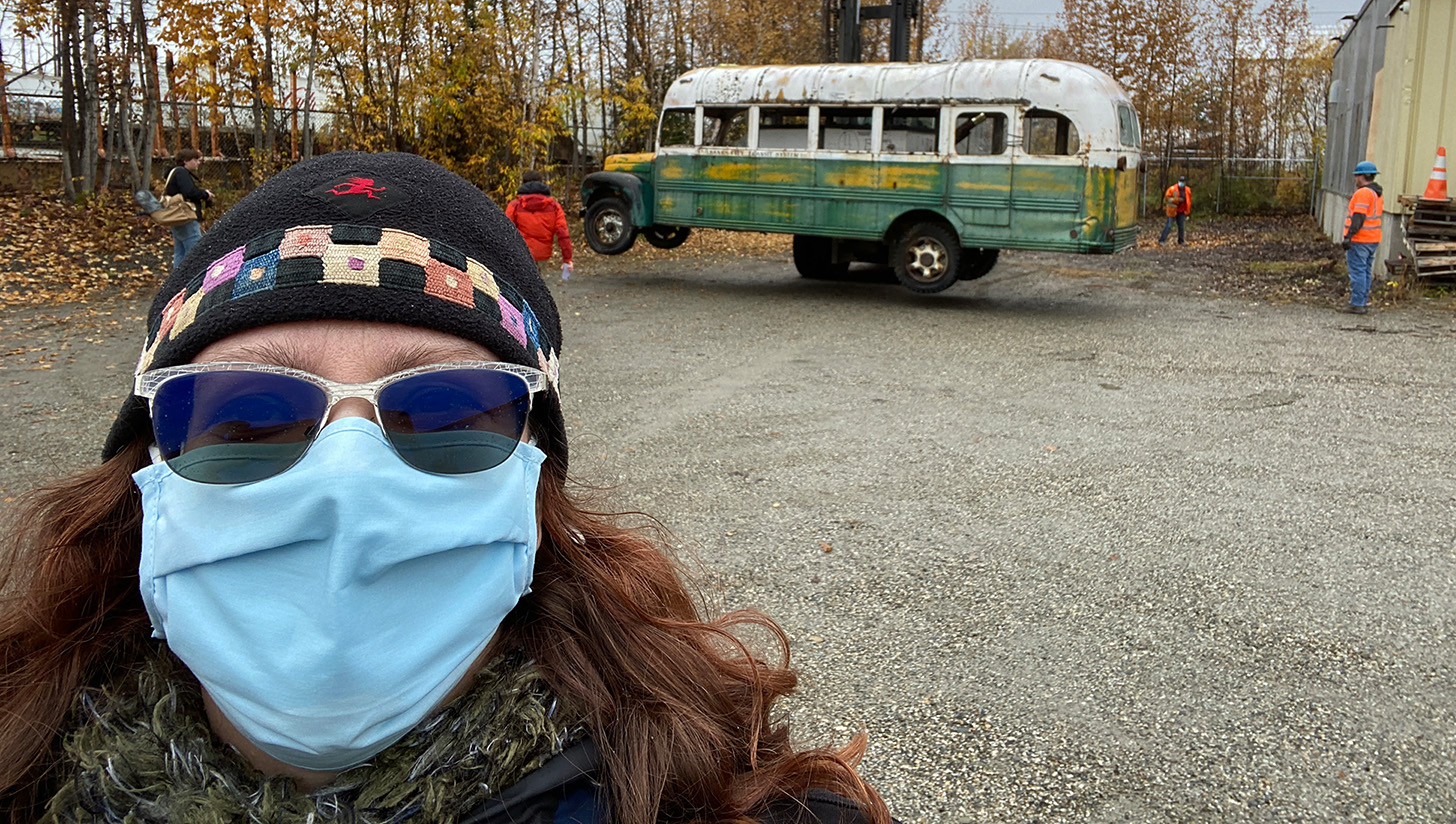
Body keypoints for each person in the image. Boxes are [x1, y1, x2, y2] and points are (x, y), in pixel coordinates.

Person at [0, 152, 889, 824]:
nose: (346, 483)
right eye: (244, 419)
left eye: (448, 413)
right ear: (146, 472)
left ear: (537, 487)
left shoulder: (725, 800)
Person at [507, 168, 575, 279]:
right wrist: (567, 259)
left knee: (523, 285)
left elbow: (506, 230)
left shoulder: (515, 205)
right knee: (540, 285)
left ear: (523, 184)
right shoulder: (554, 206)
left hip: (521, 254)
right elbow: (562, 233)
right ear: (541, 183)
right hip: (543, 254)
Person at [1339, 160, 1384, 315]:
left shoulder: (1363, 193)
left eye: (1357, 176)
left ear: (1362, 176)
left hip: (1360, 240)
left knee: (1358, 271)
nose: (1355, 179)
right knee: (1365, 271)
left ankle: (1357, 304)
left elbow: (1358, 217)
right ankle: (1361, 302)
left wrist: (1348, 237)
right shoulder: (1376, 194)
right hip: (1372, 239)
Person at [163, 146, 215, 268]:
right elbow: (189, 192)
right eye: (195, 160)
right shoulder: (181, 173)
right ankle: (191, 282)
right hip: (186, 216)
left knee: (180, 252)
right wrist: (205, 194)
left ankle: (176, 283)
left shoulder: (174, 172)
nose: (198, 163)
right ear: (186, 161)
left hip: (177, 216)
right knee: (195, 253)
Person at [1158, 176, 1191, 245]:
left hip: (1181, 211)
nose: (1181, 183)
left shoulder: (1187, 190)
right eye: (1180, 181)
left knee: (1181, 227)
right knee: (1169, 226)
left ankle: (1181, 241)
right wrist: (1177, 200)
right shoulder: (1172, 189)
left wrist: (1187, 211)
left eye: (1183, 182)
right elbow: (1167, 199)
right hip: (1172, 210)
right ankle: (1161, 240)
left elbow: (1188, 200)